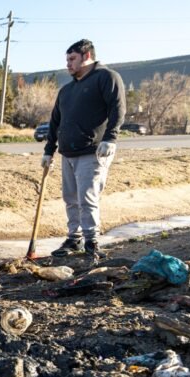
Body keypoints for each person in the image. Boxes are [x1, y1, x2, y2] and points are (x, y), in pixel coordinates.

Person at [41, 39, 126, 259]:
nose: (68, 64)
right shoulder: (67, 90)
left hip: (93, 150)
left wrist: (111, 138)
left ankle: (92, 242)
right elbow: (55, 121)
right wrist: (48, 150)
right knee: (70, 198)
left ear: (86, 56)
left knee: (87, 197)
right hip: (68, 152)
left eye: (72, 59)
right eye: (67, 60)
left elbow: (118, 108)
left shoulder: (106, 77)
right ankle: (74, 238)